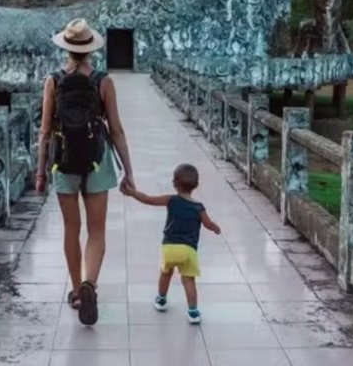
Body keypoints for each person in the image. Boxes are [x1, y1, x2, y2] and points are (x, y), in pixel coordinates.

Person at [35, 18, 135, 326]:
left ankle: (78, 291)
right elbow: (116, 130)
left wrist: (40, 173)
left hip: (63, 161)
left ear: (66, 48)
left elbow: (45, 132)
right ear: (91, 49)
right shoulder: (103, 81)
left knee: (71, 229)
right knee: (96, 230)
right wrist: (128, 171)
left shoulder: (53, 81)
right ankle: (91, 282)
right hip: (97, 160)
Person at [125, 163, 221, 324]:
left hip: (169, 248)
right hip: (188, 251)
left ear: (174, 183)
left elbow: (148, 199)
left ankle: (161, 299)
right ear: (196, 185)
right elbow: (208, 224)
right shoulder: (199, 208)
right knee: (188, 281)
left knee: (165, 273)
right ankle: (193, 312)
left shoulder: (171, 200)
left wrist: (132, 192)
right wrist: (215, 228)